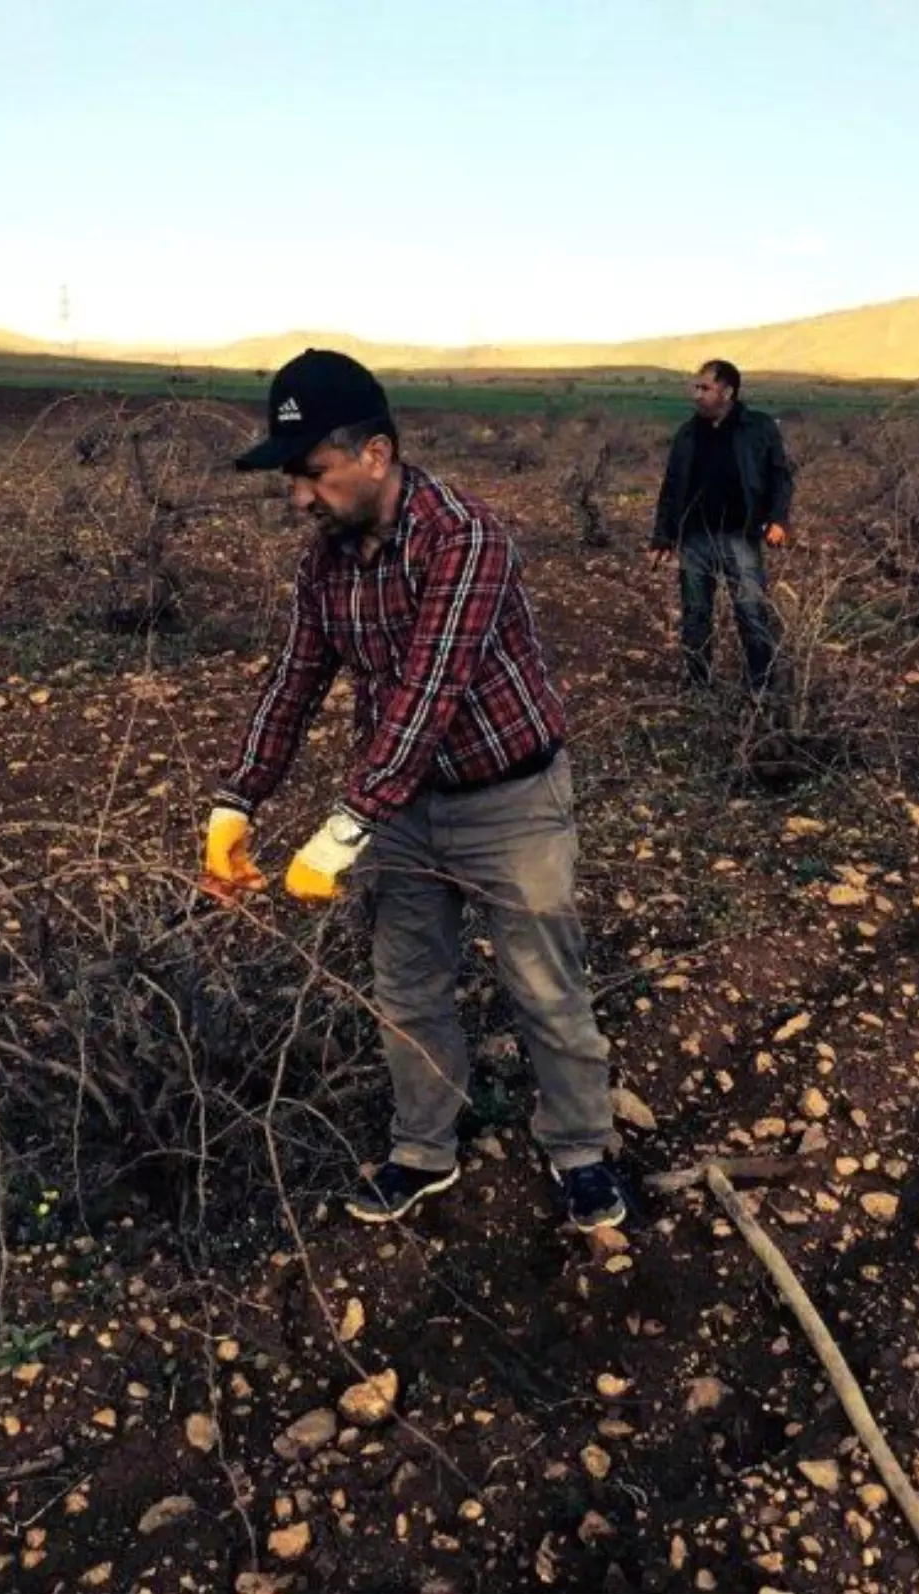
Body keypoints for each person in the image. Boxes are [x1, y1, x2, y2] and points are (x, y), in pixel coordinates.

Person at [203, 349, 626, 1232]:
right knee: (407, 988)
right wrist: (236, 801)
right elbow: (294, 680)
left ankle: (582, 1149)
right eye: (292, 478)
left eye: (312, 475)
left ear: (377, 454)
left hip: (511, 800)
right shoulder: (325, 565)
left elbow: (431, 693)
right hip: (402, 811)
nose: (300, 499)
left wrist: (340, 831)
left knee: (545, 985)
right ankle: (423, 1149)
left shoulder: (465, 540)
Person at [650, 359, 793, 694]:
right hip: (695, 539)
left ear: (727, 391)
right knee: (695, 616)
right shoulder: (687, 434)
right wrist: (662, 536)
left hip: (740, 536)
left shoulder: (757, 428)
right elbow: (671, 487)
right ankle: (698, 686)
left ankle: (762, 689)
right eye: (695, 387)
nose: (696, 395)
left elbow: (780, 476)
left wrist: (778, 519)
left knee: (751, 612)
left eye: (705, 388)